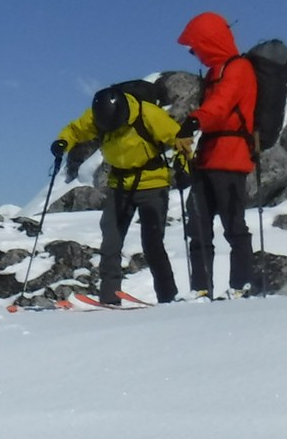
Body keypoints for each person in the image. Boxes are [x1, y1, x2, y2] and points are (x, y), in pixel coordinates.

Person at [48, 85, 190, 305]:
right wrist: (63, 142)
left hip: (152, 182)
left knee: (152, 244)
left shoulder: (148, 113)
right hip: (120, 184)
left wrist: (184, 167)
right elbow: (76, 130)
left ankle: (167, 297)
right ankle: (109, 298)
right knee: (111, 243)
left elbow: (179, 139)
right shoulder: (97, 117)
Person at [178, 10, 260, 298]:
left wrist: (194, 120)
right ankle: (201, 289)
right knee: (198, 226)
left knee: (233, 226)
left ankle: (241, 285)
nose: (194, 54)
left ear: (210, 42)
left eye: (196, 47)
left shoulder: (238, 68)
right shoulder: (216, 71)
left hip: (230, 158)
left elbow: (222, 105)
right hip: (209, 157)